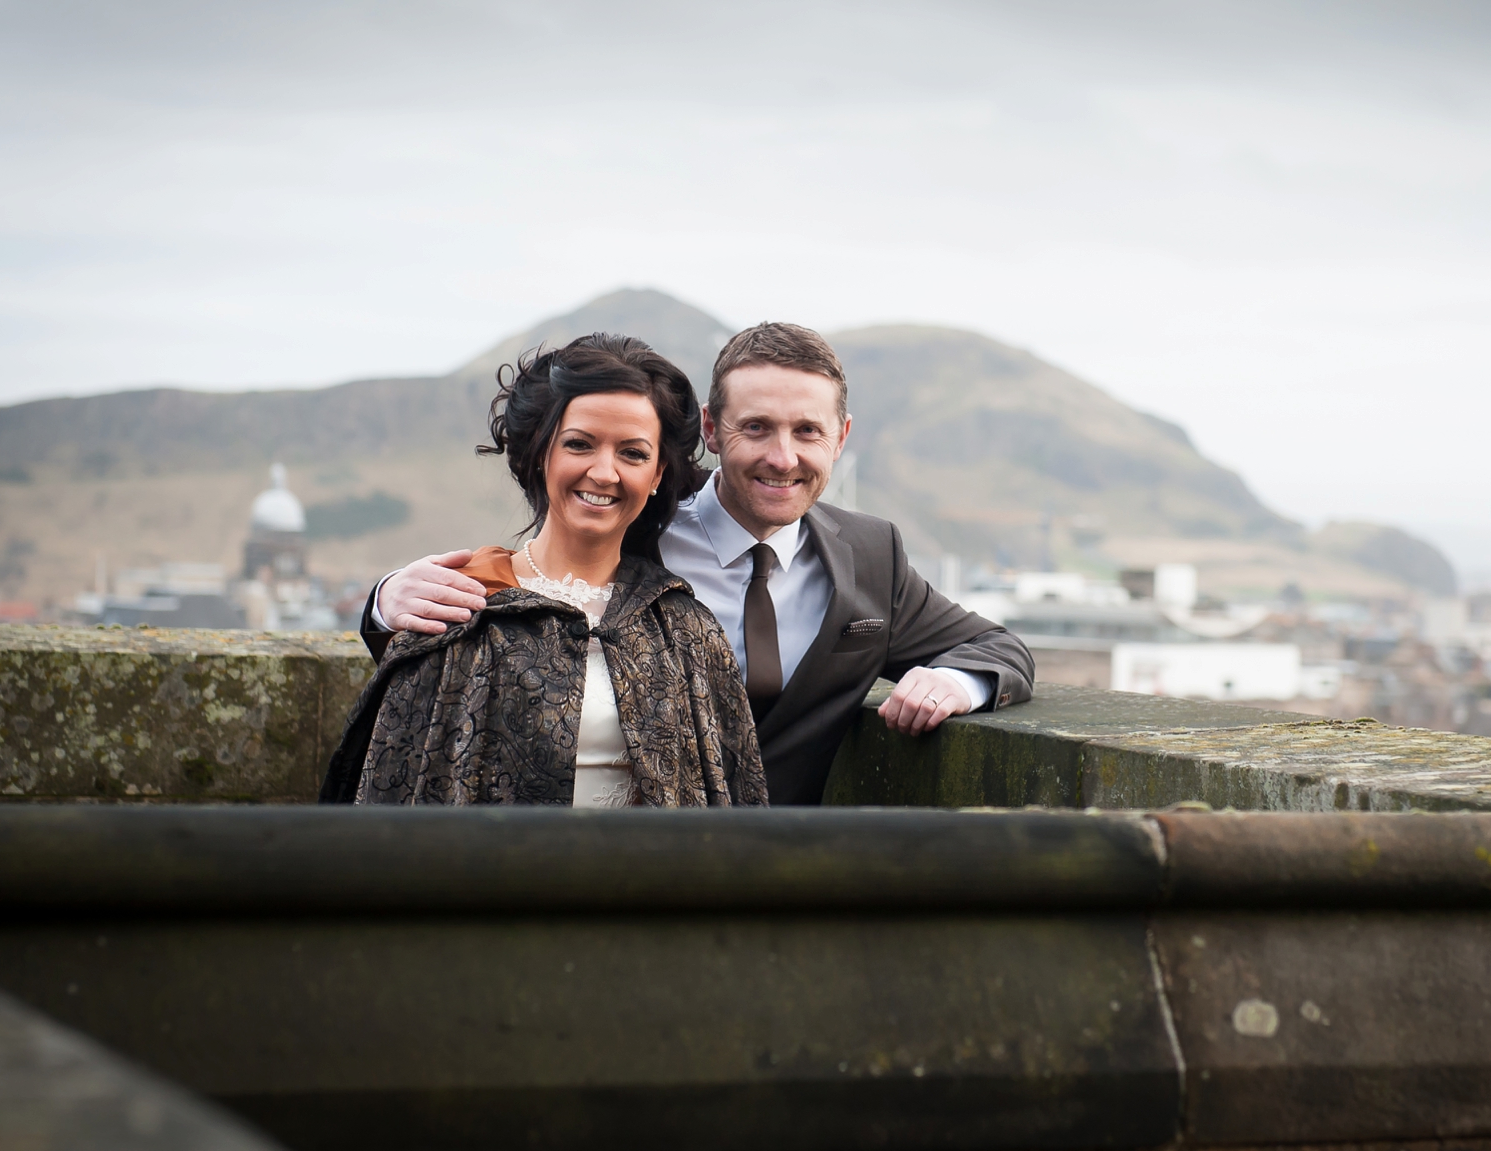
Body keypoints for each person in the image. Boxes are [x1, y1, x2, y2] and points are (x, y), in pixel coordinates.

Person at [367, 322, 1034, 805]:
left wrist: (957, 684)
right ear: (712, 430)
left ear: (842, 437)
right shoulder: (631, 523)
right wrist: (384, 599)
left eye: (807, 430)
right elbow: (513, 601)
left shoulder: (870, 555)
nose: (782, 456)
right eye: (757, 428)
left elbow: (995, 646)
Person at [320, 334, 767, 808]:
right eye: (579, 444)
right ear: (540, 450)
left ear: (657, 474)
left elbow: (731, 803)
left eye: (633, 453)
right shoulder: (465, 603)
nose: (604, 472)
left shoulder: (686, 628)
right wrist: (384, 600)